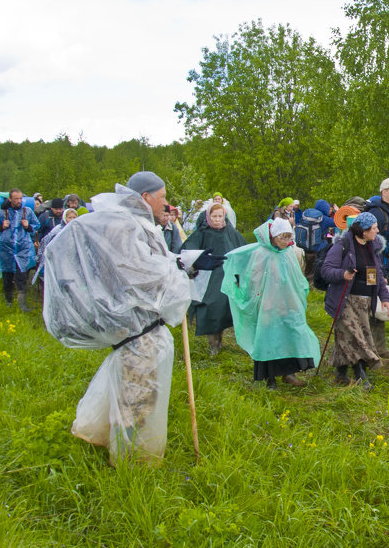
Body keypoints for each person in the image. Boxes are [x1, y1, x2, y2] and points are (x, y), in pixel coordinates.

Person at [43, 171, 198, 463]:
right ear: (145, 197)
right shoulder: (126, 227)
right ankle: (132, 464)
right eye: (162, 197)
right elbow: (141, 276)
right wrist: (181, 274)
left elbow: (152, 265)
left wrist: (181, 264)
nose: (166, 204)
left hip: (137, 327)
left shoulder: (130, 223)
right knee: (138, 398)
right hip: (138, 330)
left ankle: (119, 449)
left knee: (133, 392)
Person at [222, 216, 321, 389]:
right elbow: (253, 279)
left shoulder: (289, 253)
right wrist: (259, 299)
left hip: (288, 304)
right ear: (273, 236)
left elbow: (296, 277)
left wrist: (298, 294)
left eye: (288, 237)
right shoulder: (262, 253)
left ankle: (289, 373)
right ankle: (270, 378)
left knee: (290, 334)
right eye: (282, 237)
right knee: (269, 338)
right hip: (268, 305)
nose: (285, 241)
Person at [320, 212, 389, 389]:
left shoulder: (372, 246)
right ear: (363, 230)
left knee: (346, 335)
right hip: (345, 299)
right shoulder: (342, 245)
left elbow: (378, 273)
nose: (377, 231)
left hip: (365, 301)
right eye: (374, 228)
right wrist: (343, 274)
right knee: (356, 335)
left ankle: (341, 373)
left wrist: (384, 297)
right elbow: (326, 270)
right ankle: (361, 374)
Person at [182, 202, 246, 355]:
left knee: (224, 309)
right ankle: (214, 345)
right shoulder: (202, 233)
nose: (217, 220)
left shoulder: (231, 232)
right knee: (211, 309)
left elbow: (242, 251)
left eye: (220, 216)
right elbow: (188, 253)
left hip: (228, 277)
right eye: (214, 216)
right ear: (208, 217)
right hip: (209, 279)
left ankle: (221, 340)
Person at [365, 178, 389, 358]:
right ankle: (370, 350)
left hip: (385, 267)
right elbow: (372, 246)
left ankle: (379, 349)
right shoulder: (377, 214)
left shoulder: (388, 214)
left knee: (380, 306)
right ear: (384, 192)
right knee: (371, 306)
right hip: (374, 269)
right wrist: (379, 272)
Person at [0, 188, 40, 311]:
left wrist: (28, 226)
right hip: (6, 249)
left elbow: (36, 225)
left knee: (22, 277)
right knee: (7, 277)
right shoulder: (1, 211)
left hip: (23, 250)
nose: (19, 201)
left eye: (20, 198)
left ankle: (22, 305)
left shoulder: (27, 211)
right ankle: (8, 302)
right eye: (16, 199)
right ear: (10, 199)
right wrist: (1, 226)